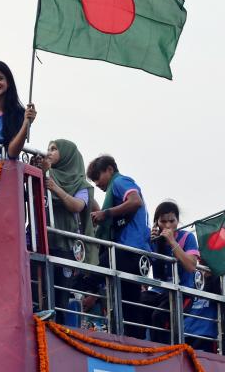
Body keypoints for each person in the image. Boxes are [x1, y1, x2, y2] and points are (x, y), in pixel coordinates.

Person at [87, 155, 149, 339]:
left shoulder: (120, 181)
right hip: (135, 252)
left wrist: (105, 214)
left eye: (98, 176)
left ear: (110, 170)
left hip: (128, 250)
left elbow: (135, 201)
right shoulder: (115, 187)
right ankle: (133, 342)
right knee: (130, 303)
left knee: (88, 275)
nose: (97, 183)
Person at [42, 139, 99, 325]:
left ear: (67, 154)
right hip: (42, 240)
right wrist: (42, 171)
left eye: (54, 149)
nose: (49, 152)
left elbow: (77, 206)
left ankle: (59, 333)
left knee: (61, 295)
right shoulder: (45, 174)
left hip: (65, 245)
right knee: (39, 288)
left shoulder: (80, 183)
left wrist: (55, 188)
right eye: (48, 148)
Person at [142, 201, 200, 344]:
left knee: (159, 316)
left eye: (171, 221)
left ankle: (164, 352)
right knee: (136, 305)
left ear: (177, 221)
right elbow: (144, 264)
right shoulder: (153, 240)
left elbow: (191, 266)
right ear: (157, 222)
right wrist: (149, 242)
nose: (167, 226)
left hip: (182, 292)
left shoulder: (187, 237)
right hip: (158, 290)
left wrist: (172, 242)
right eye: (163, 221)